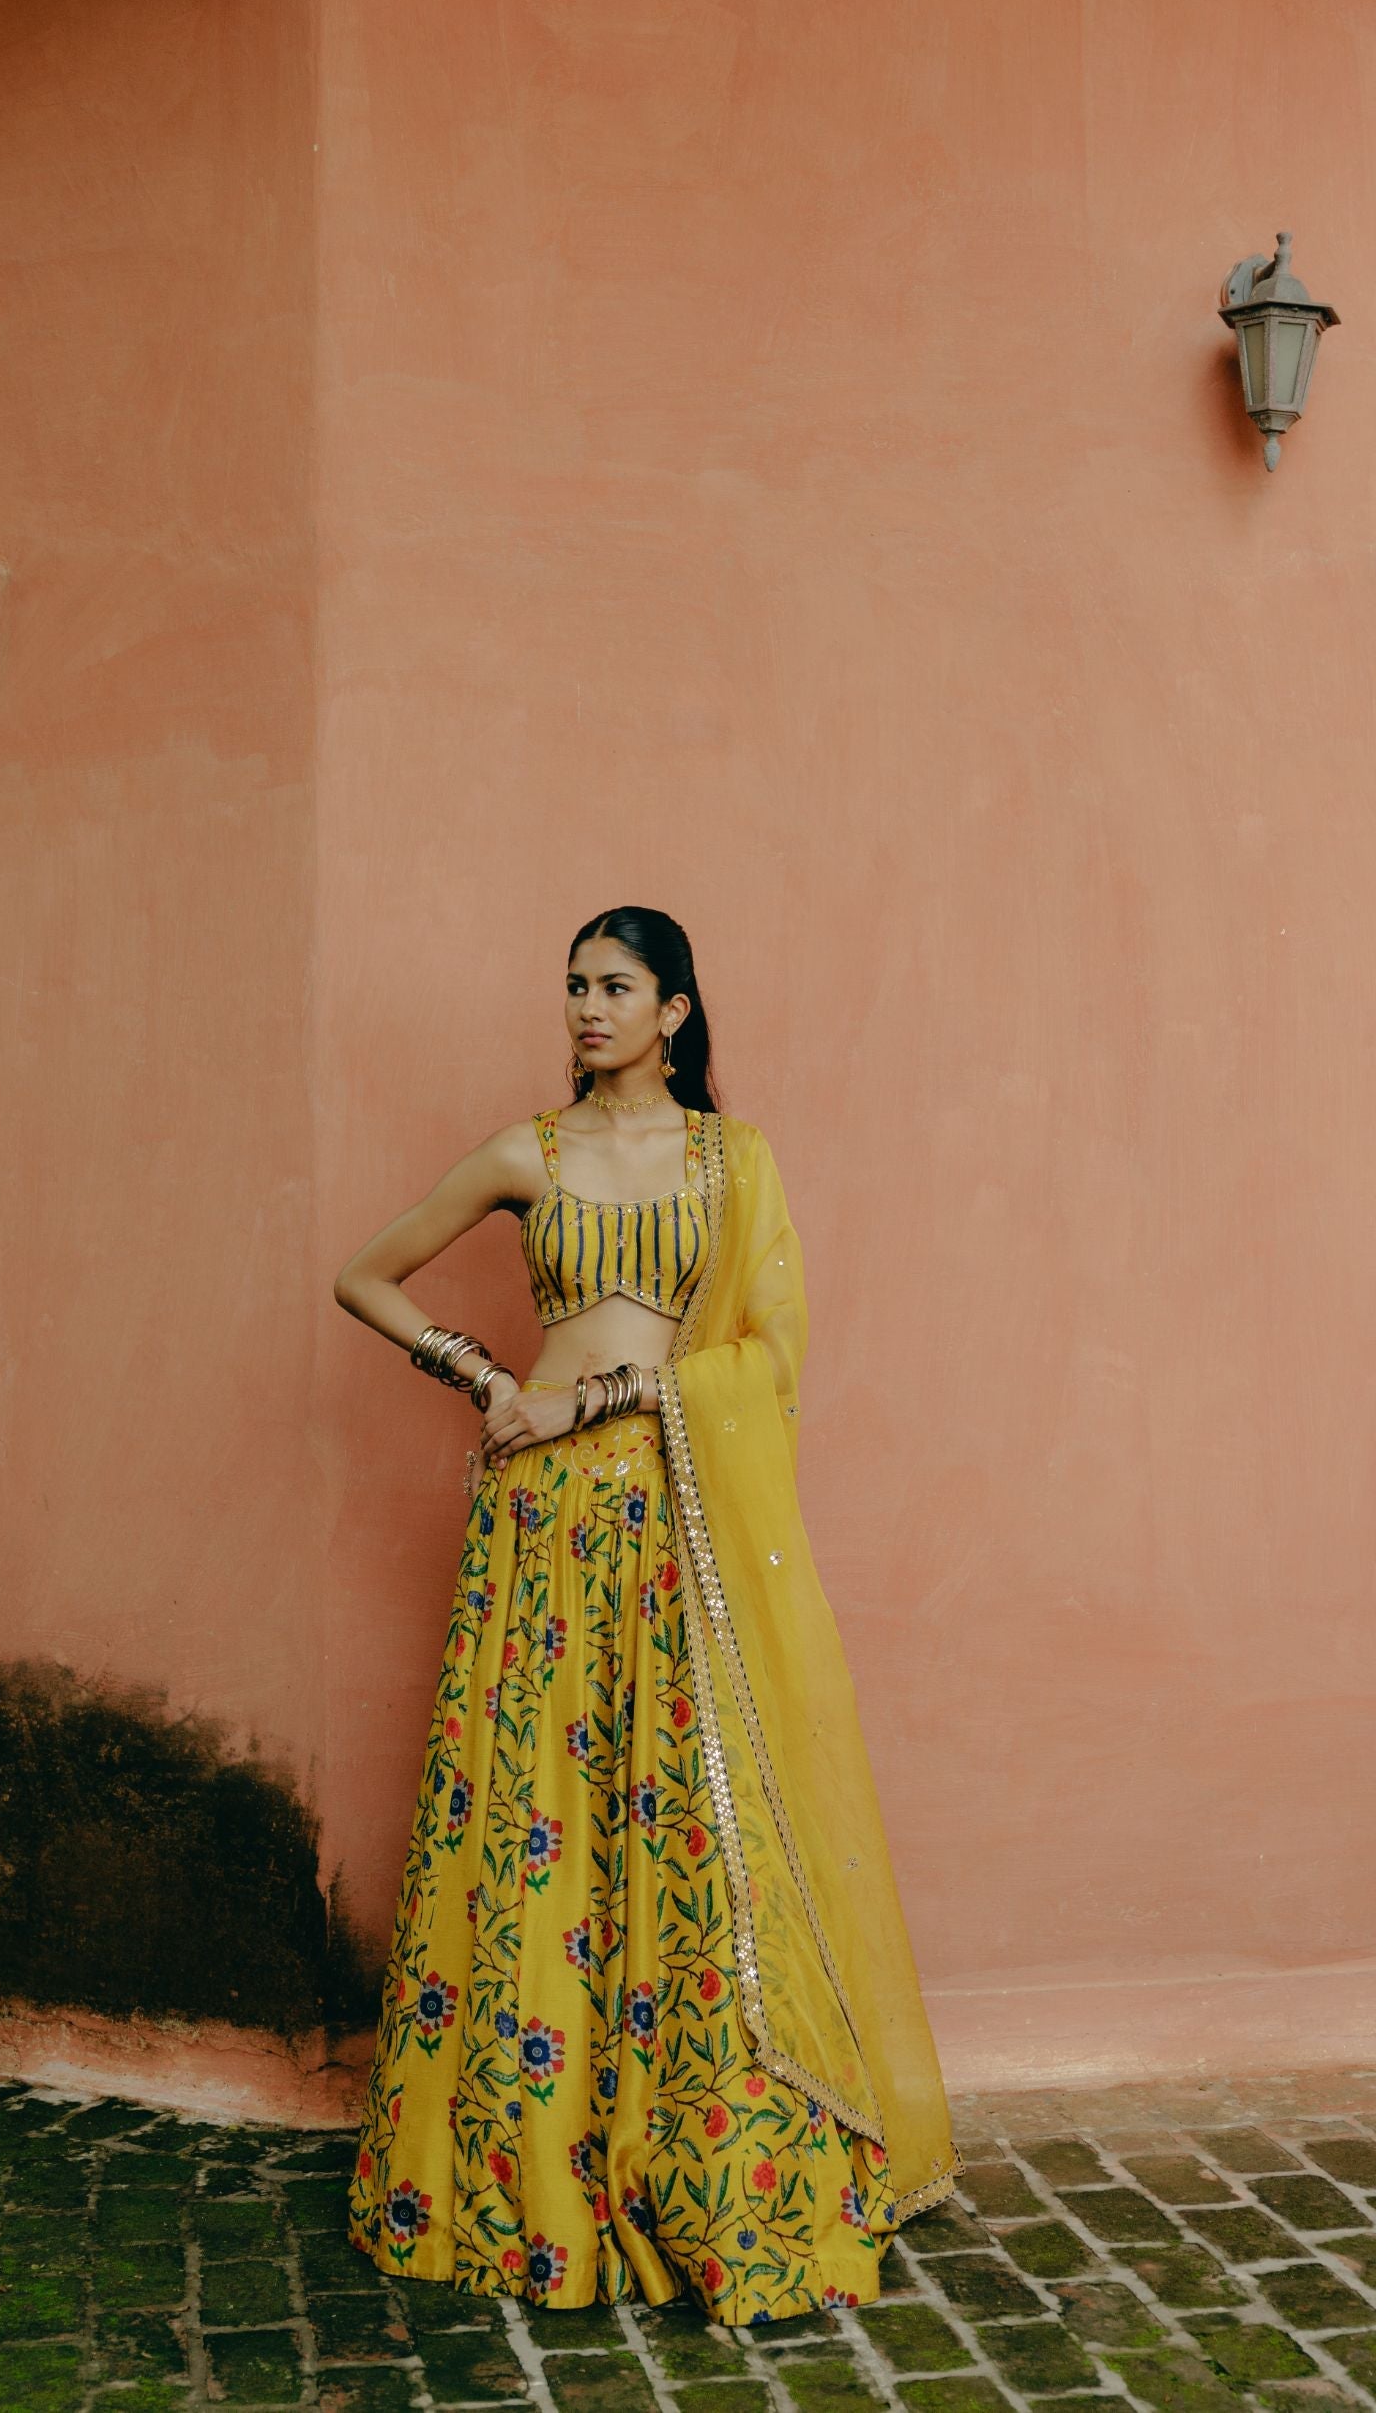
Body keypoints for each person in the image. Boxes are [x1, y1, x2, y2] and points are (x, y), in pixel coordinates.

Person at [333, 907, 957, 2324]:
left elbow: (765, 1353)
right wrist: (486, 1380)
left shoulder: (736, 1163)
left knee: (684, 1811)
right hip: (539, 1523)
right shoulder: (524, 1154)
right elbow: (361, 1275)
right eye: (574, 986)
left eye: (615, 987)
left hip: (673, 1514)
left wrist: (591, 1400)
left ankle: (702, 2136)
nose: (587, 1008)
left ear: (676, 1010)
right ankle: (530, 2144)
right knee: (539, 1801)